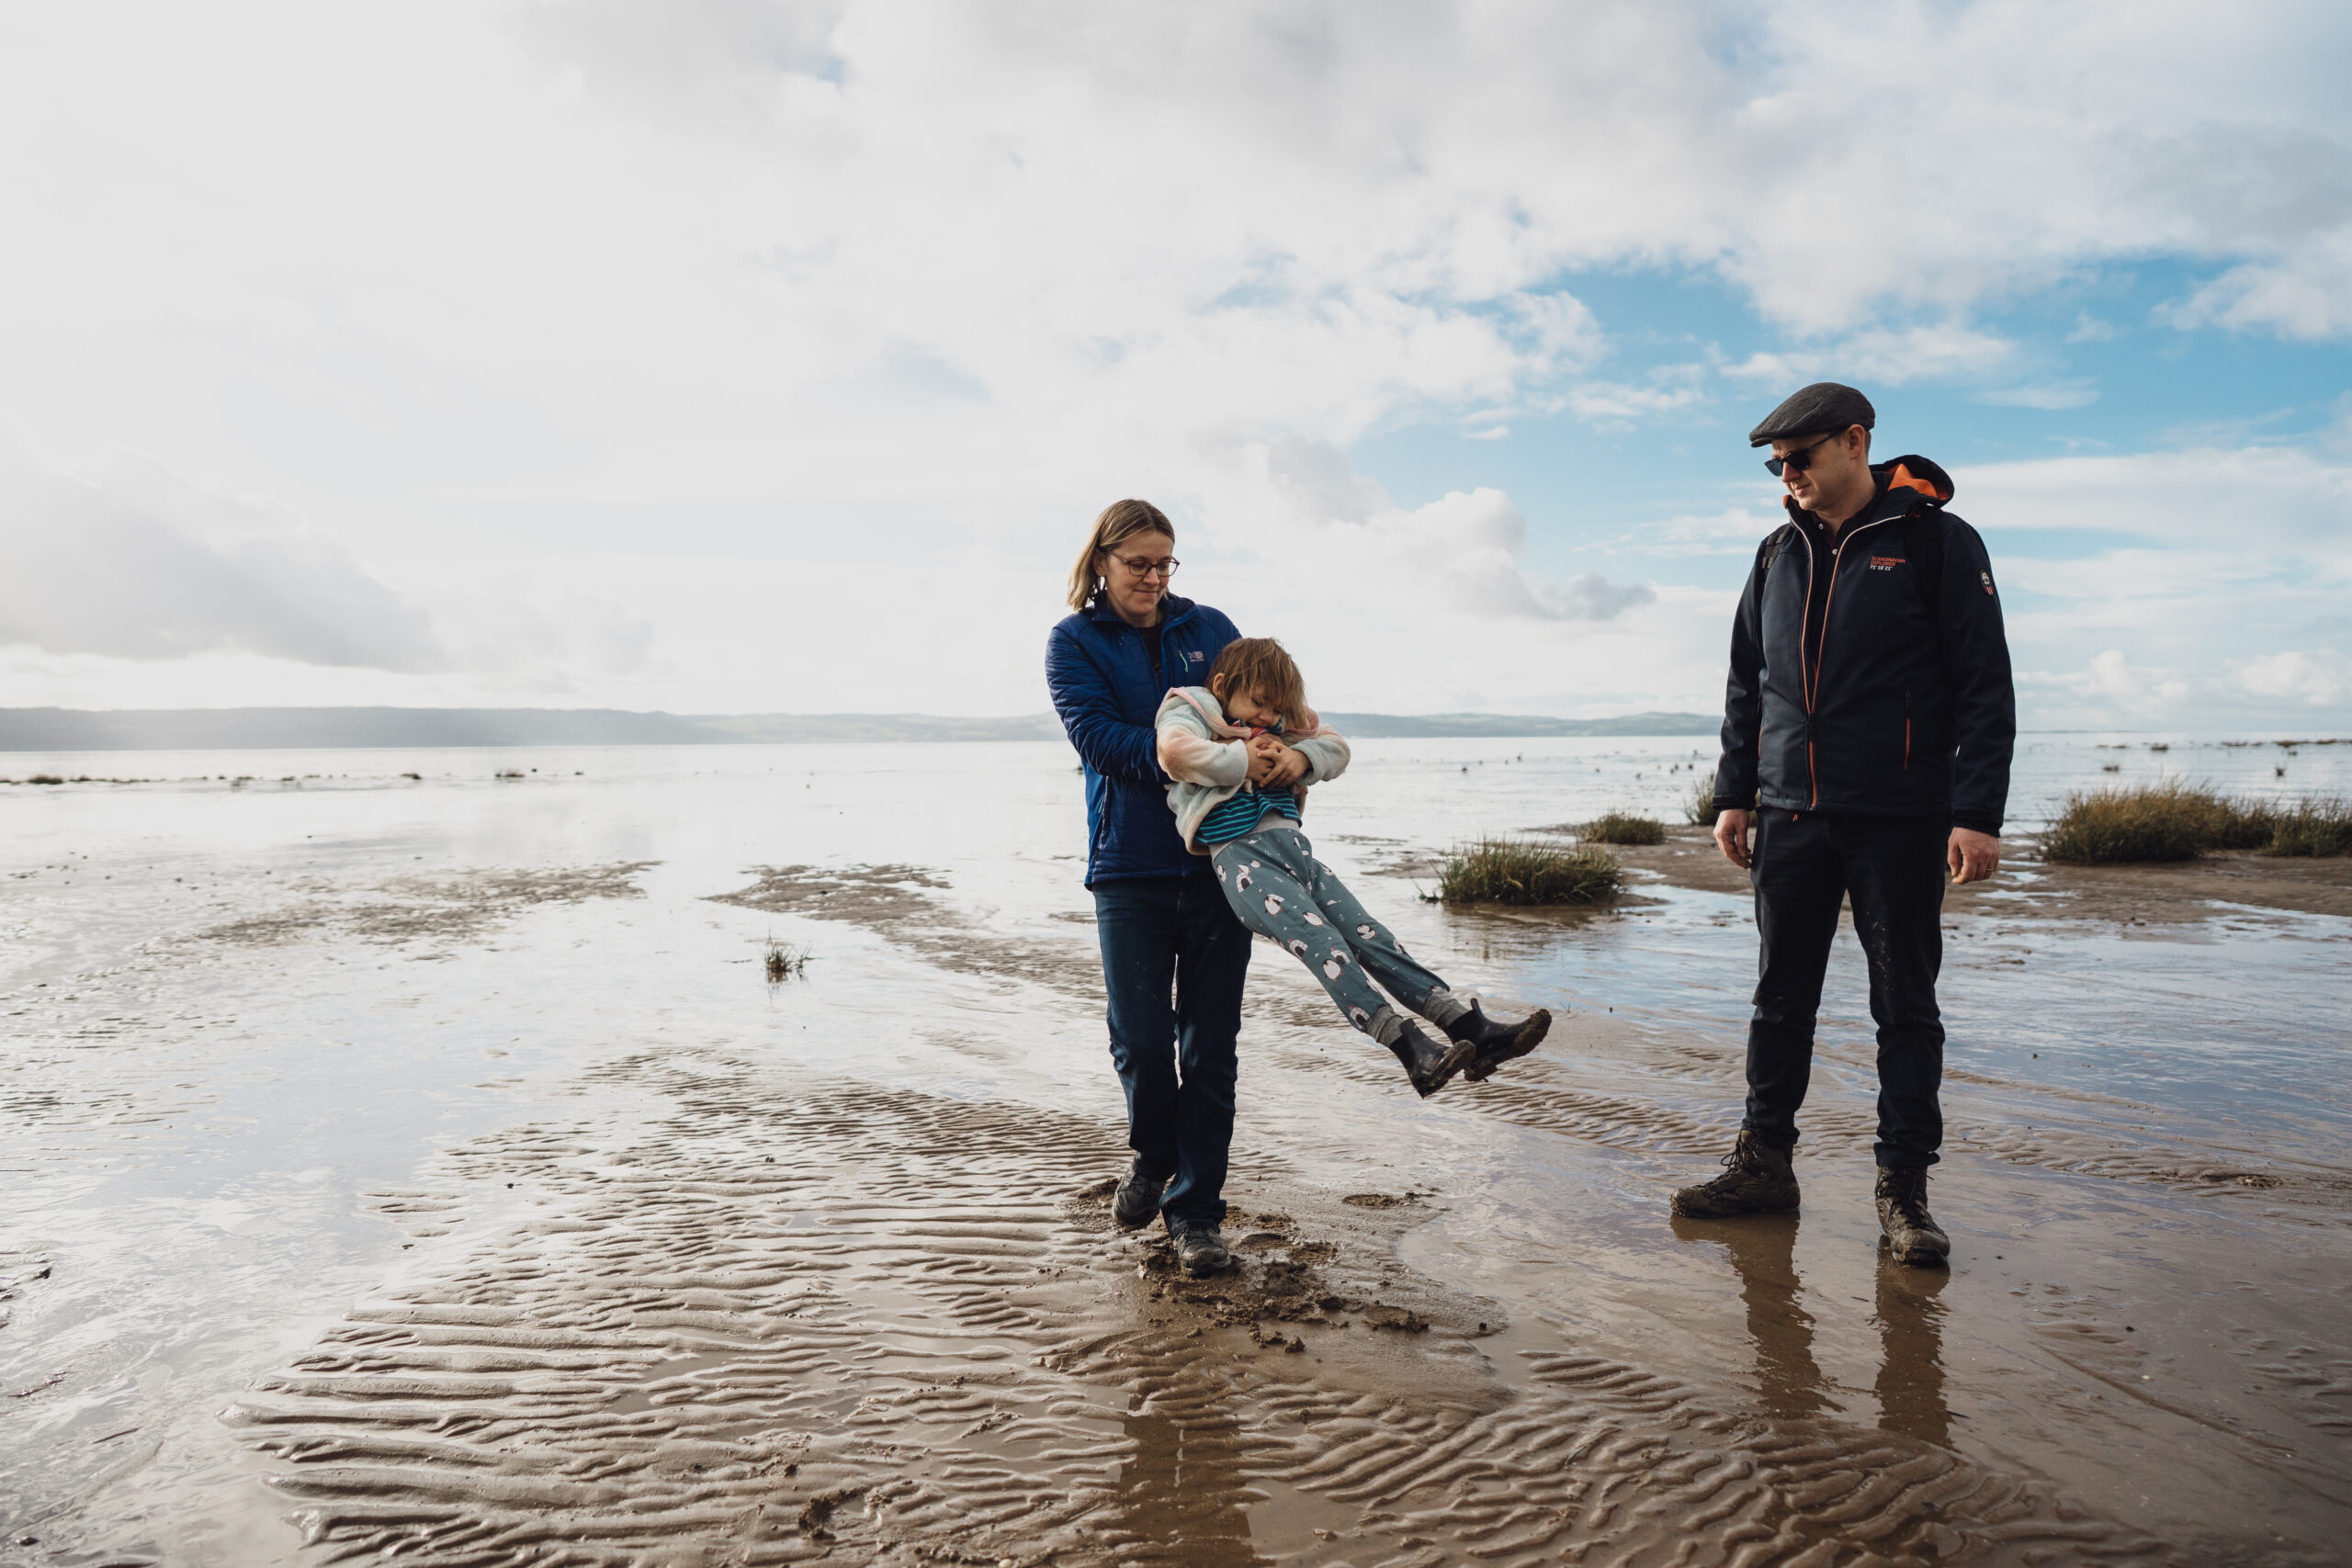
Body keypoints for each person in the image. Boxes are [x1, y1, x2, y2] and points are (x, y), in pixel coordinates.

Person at [1677, 382, 2015, 1268]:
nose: (1787, 477)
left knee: (1905, 1007)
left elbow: (1985, 685)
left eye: (1801, 459)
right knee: (1778, 1000)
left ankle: (1904, 1191)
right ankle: (1764, 1165)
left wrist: (1976, 813)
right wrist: (1735, 792)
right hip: (1790, 814)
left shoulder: (1937, 542)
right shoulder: (1775, 553)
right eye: (1776, 467)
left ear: (1856, 443)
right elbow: (1748, 684)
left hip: (1899, 816)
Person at [1157, 637, 1551, 1097]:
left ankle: (1468, 1027)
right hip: (1245, 864)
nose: (1267, 716)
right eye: (1259, 702)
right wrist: (1242, 759)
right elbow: (1174, 754)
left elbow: (1336, 747)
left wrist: (1302, 756)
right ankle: (1409, 1048)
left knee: (1373, 937)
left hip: (1297, 853)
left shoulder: (1282, 726)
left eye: (1276, 708)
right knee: (1325, 947)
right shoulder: (1195, 710)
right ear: (1224, 685)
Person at [1046, 499, 1258, 1278]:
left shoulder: (1212, 629)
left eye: (1165, 562)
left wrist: (1291, 754)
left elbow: (1261, 712)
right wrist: (1196, 754)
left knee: (1211, 1049)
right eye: (1138, 563)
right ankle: (1154, 1153)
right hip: (1127, 866)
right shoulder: (1074, 641)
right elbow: (1099, 740)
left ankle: (1196, 1216)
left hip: (1219, 865)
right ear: (1102, 562)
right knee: (1139, 1041)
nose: (1154, 577)